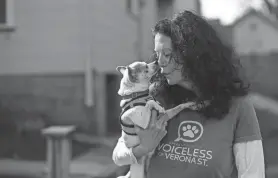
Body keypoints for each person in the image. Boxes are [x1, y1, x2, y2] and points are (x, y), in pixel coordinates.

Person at [112, 10, 265, 178]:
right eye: (158, 54)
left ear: (194, 55)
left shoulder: (238, 107)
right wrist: (143, 149)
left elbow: (253, 174)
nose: (160, 62)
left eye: (168, 54)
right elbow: (119, 153)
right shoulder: (154, 99)